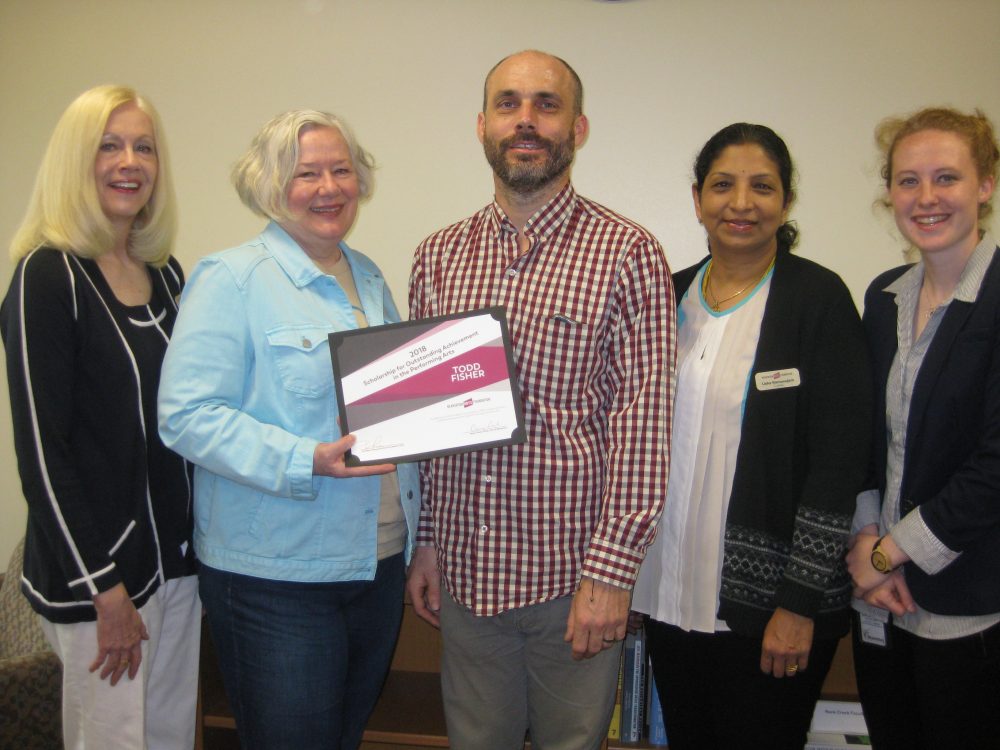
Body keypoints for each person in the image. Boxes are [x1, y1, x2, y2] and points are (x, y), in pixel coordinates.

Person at [406, 50, 674, 750]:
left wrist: (612, 575)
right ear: (482, 125)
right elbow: (431, 422)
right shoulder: (437, 257)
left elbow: (643, 423)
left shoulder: (627, 252)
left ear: (577, 128)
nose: (526, 120)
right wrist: (428, 541)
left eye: (546, 105)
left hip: (572, 582)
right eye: (509, 103)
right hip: (466, 577)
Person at [156, 109, 420, 750]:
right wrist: (305, 458)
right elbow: (186, 415)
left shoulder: (369, 276)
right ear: (271, 186)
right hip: (275, 580)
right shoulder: (233, 278)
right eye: (306, 174)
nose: (328, 187)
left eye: (341, 170)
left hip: (376, 564)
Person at [631, 123, 872, 750]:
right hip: (669, 596)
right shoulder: (667, 296)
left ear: (785, 202)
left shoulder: (817, 299)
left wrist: (796, 604)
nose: (741, 203)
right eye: (723, 186)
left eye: (761, 187)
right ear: (696, 198)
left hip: (771, 611)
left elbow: (839, 464)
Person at [0, 85, 199, 749]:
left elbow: (192, 413)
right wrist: (104, 590)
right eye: (108, 146)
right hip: (104, 581)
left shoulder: (166, 273)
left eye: (143, 147)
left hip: (176, 566)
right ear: (74, 161)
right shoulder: (46, 276)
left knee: (170, 736)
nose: (129, 162)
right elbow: (42, 453)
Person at [846, 107, 1000, 750]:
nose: (927, 197)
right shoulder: (883, 297)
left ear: (985, 185)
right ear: (889, 193)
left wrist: (888, 554)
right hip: (880, 605)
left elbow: (994, 468)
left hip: (972, 608)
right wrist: (865, 542)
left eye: (947, 178)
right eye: (908, 181)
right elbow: (862, 435)